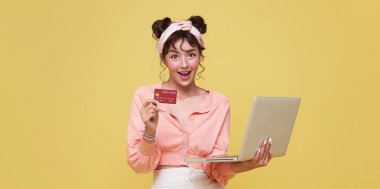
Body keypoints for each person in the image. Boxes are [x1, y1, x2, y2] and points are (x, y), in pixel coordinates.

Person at [126, 15, 273, 189]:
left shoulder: (219, 102)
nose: (184, 64)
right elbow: (140, 165)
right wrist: (149, 131)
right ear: (163, 59)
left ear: (200, 56)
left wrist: (250, 163)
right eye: (174, 56)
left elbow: (216, 167)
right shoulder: (145, 97)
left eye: (191, 55)